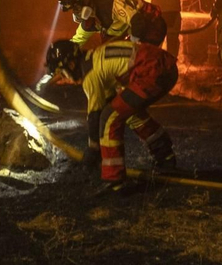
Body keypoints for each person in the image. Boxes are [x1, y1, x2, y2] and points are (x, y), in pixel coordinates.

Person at [46, 34, 178, 191]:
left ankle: (114, 178)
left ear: (71, 64)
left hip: (152, 71)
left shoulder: (90, 75)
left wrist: (93, 149)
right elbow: (108, 100)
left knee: (110, 117)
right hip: (162, 66)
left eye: (62, 72)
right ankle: (165, 157)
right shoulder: (95, 57)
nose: (64, 78)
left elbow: (95, 116)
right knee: (127, 113)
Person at [61, 0, 167, 47]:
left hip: (151, 24)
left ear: (86, 0)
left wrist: (133, 49)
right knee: (106, 53)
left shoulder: (111, 5)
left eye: (76, 8)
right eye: (73, 10)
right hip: (131, 31)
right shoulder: (89, 22)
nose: (76, 13)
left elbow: (137, 21)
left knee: (139, 63)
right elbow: (76, 42)